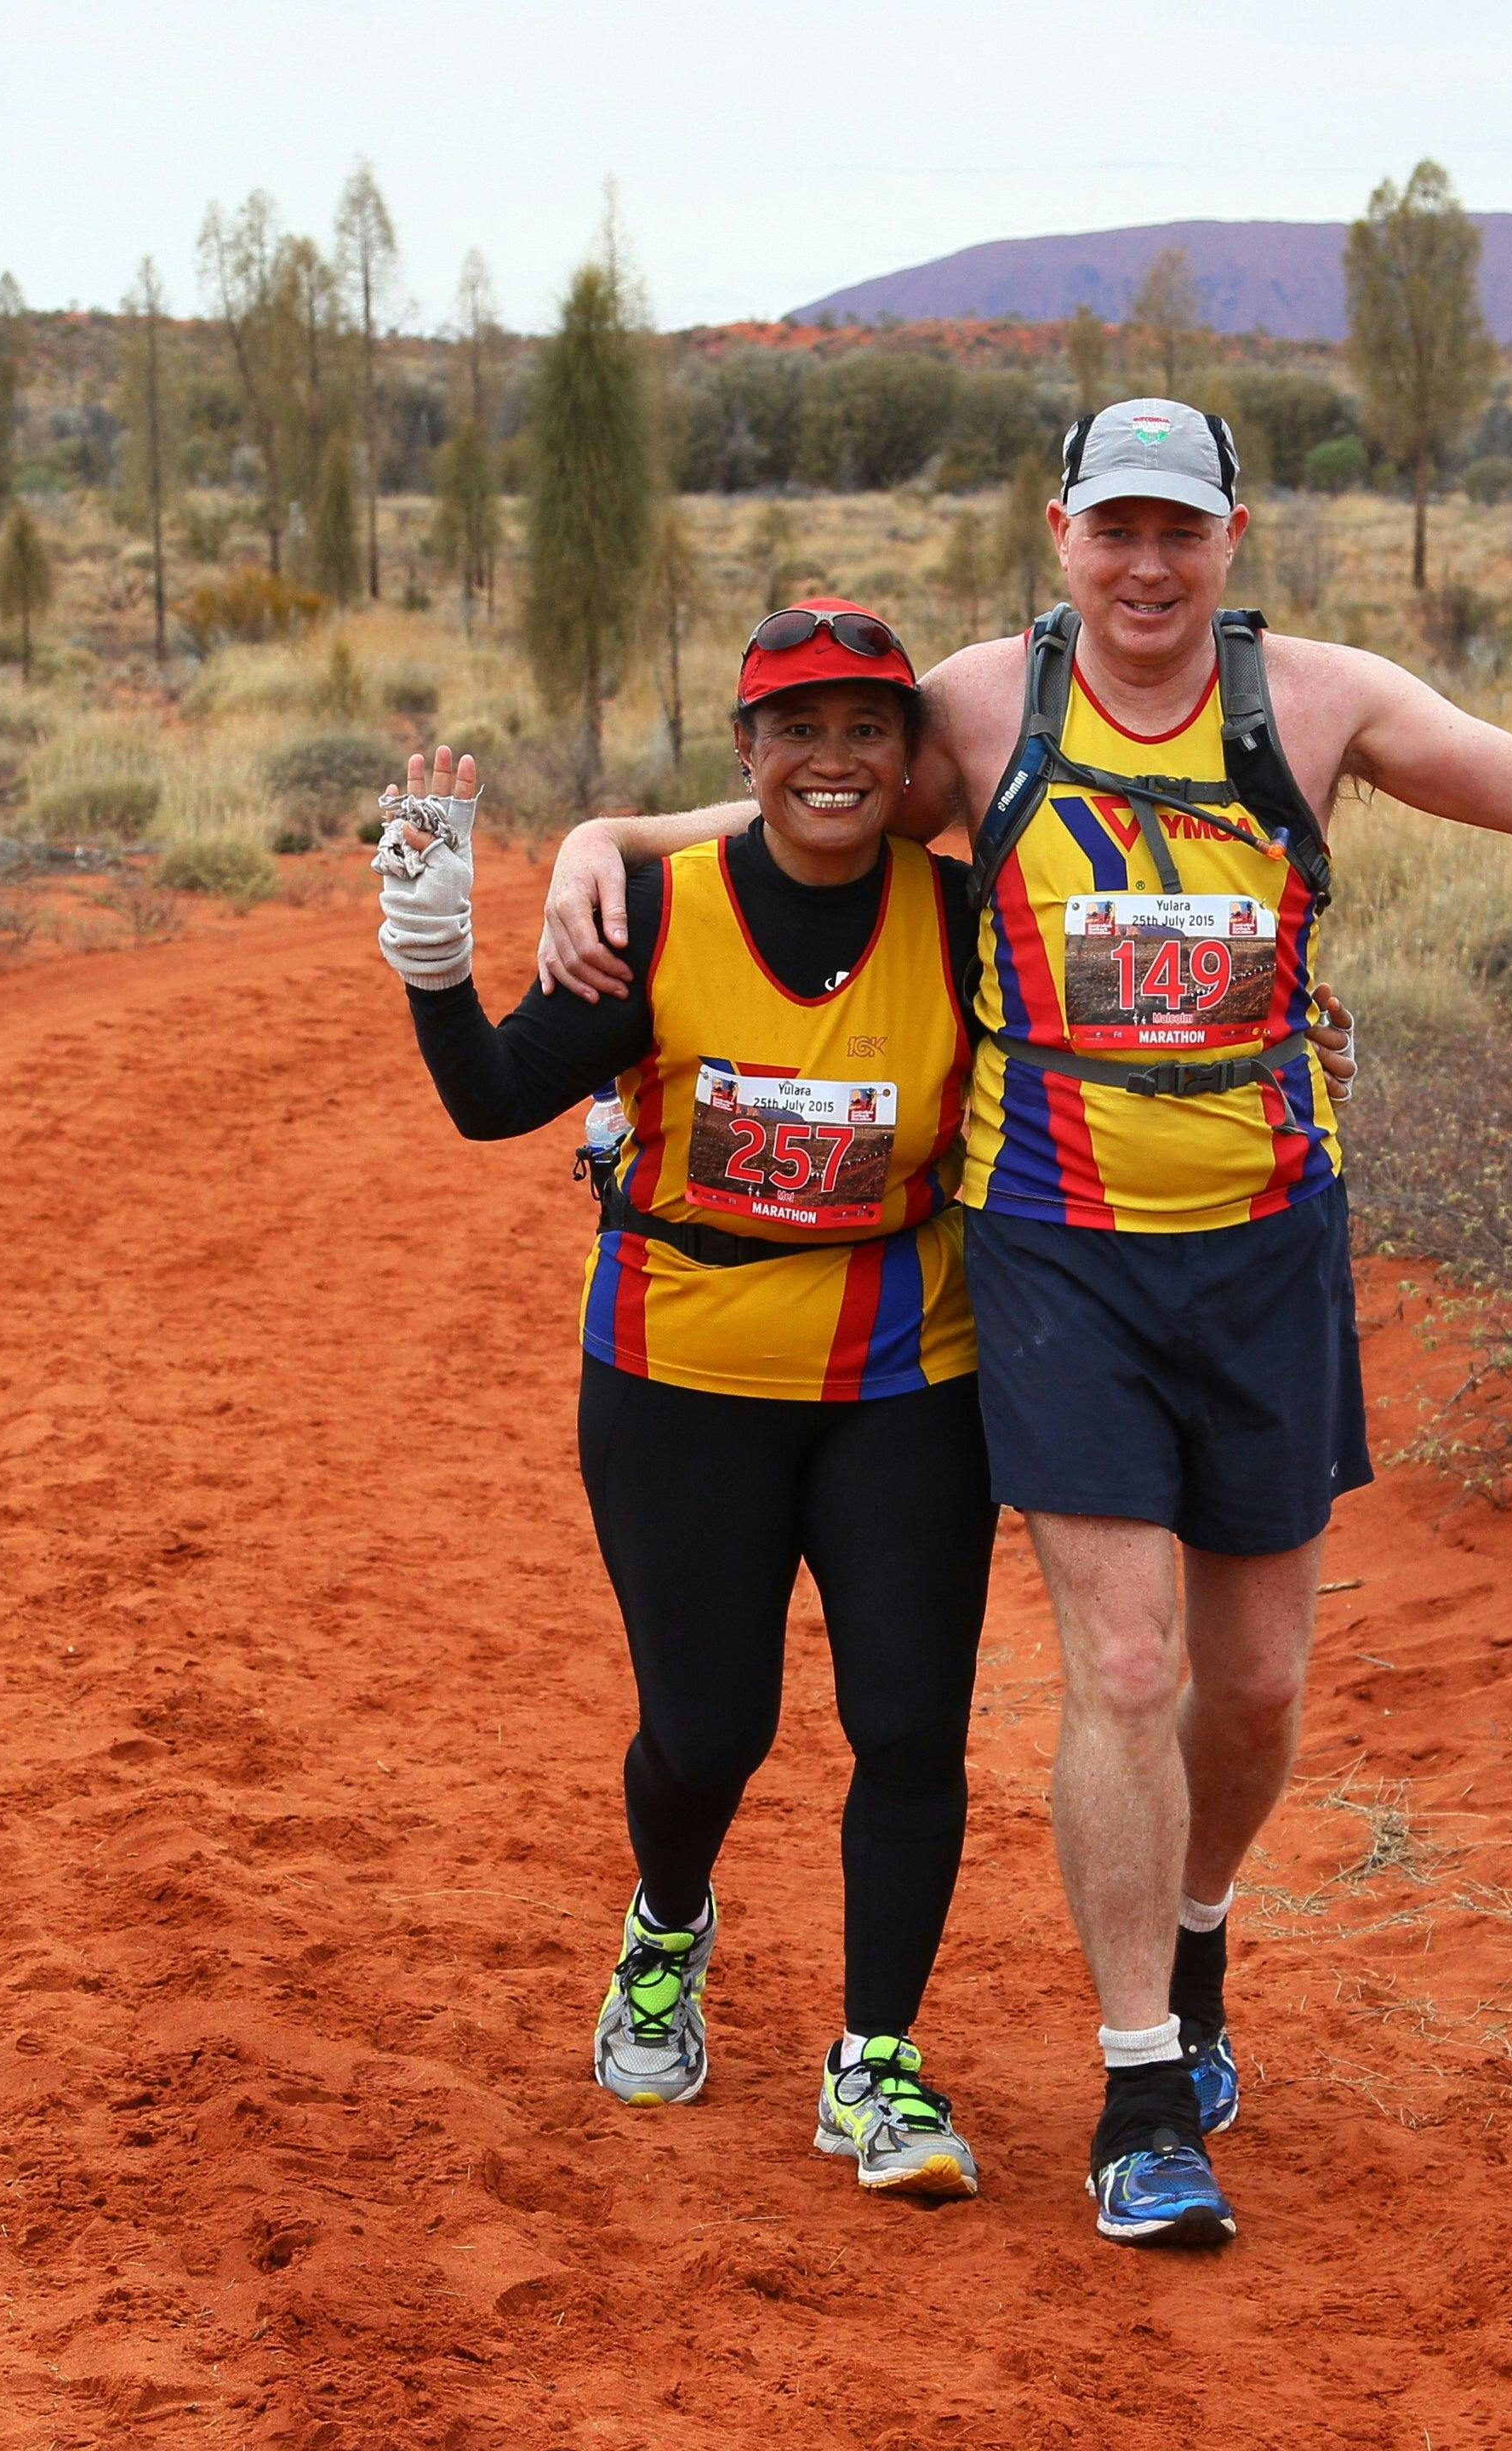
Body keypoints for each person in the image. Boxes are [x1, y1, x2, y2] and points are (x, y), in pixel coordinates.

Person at [533, 401, 1512, 2247]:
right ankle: (1140, 2092)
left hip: (1262, 1250)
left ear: (1234, 535)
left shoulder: (1321, 704)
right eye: (1115, 530)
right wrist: (601, 835)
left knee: (1250, 1696)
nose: (1146, 567)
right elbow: (803, 796)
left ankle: (1195, 1927)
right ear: (1061, 530)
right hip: (1053, 1249)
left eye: (1181, 531)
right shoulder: (987, 704)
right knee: (1133, 1671)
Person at [377, 603, 995, 2198]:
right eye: (799, 730)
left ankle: (878, 2064)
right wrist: (437, 960)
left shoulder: (965, 918)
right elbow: (493, 1100)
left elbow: (1074, 1088)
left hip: (900, 1373)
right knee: (709, 1732)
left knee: (910, 1723)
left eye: (868, 728)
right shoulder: (656, 912)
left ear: (909, 755)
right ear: (748, 754)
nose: (835, 759)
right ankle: (666, 1930)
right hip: (678, 1375)